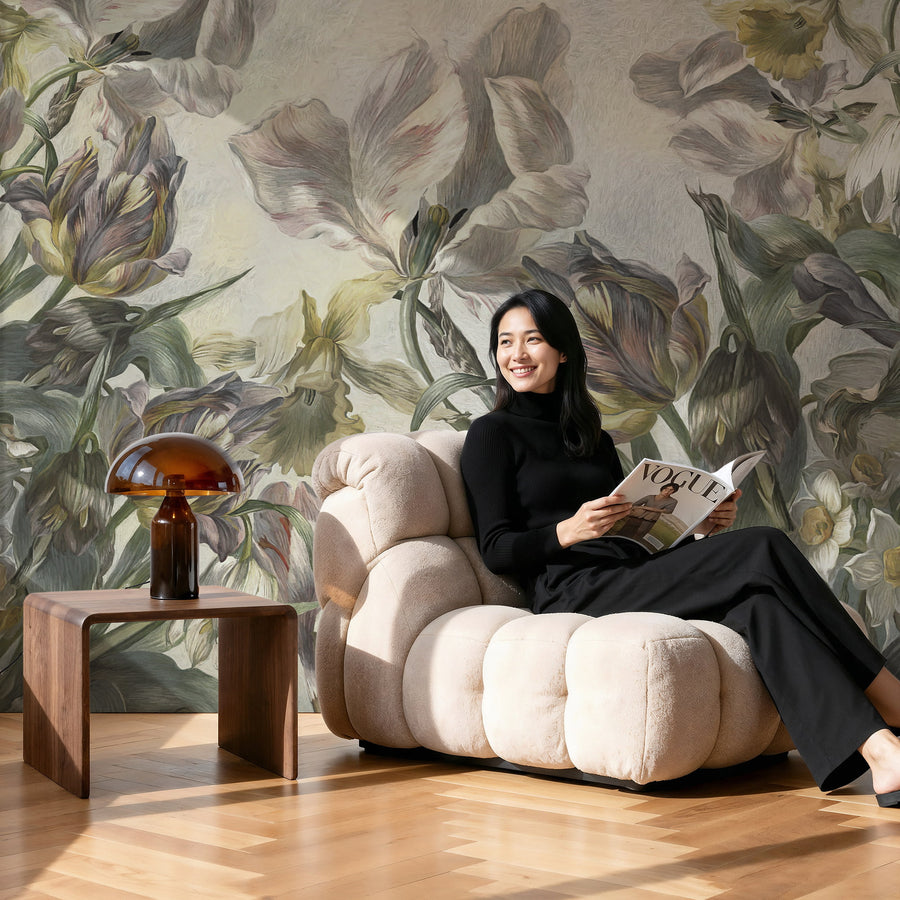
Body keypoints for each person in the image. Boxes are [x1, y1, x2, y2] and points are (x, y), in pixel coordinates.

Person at [460, 288, 900, 807]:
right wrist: (566, 532)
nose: (516, 354)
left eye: (532, 340)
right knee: (765, 545)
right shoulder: (490, 435)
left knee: (760, 608)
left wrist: (696, 528)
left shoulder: (592, 439)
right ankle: (890, 693)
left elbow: (633, 534)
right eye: (505, 342)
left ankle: (882, 754)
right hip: (571, 590)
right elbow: (496, 548)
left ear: (561, 351)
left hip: (626, 573)